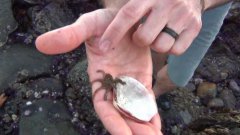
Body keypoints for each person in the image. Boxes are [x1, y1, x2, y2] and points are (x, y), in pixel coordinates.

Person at [35, 0, 233, 134]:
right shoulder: (109, 81)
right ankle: (150, 86)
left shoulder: (112, 81)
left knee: (177, 76)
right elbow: (103, 81)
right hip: (140, 8)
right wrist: (118, 10)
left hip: (209, 10)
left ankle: (156, 91)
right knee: (149, 45)